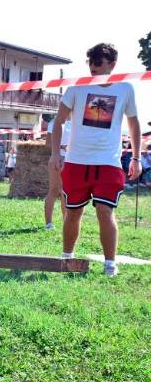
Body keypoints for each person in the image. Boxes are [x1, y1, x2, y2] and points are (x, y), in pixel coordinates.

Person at [49, 43, 141, 277]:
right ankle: (66, 259)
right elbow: (58, 121)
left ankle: (110, 264)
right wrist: (54, 154)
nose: (93, 67)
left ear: (112, 64)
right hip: (76, 161)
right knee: (73, 211)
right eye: (91, 62)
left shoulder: (125, 88)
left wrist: (136, 157)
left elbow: (133, 123)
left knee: (104, 211)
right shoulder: (76, 88)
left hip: (108, 162)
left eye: (99, 62)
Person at [43, 118, 71, 229]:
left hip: (71, 161)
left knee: (66, 192)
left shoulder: (76, 122)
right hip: (57, 159)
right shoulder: (54, 122)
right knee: (54, 191)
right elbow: (48, 144)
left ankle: (66, 222)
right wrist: (61, 147)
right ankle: (49, 223)